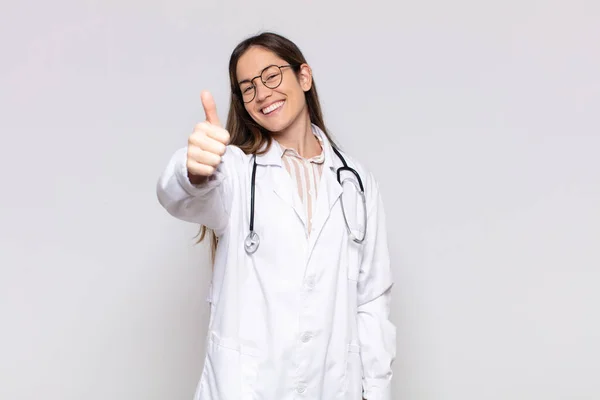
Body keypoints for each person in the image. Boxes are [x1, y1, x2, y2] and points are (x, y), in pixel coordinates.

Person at [156, 31, 396, 400]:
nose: (262, 92)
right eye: (248, 87)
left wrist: (375, 391)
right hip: (249, 387)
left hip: (331, 386)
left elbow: (372, 298)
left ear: (304, 77)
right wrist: (193, 170)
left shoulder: (356, 182)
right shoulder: (235, 170)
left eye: (271, 75)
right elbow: (179, 195)